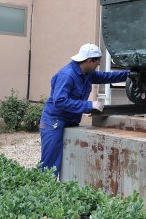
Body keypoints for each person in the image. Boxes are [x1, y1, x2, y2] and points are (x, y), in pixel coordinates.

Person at [39, 43, 129, 177]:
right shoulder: (67, 75)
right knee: (50, 164)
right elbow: (60, 101)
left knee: (68, 160)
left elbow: (107, 77)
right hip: (54, 121)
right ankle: (43, 191)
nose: (98, 65)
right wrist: (88, 105)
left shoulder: (87, 73)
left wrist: (131, 74)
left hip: (69, 120)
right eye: (97, 62)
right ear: (89, 61)